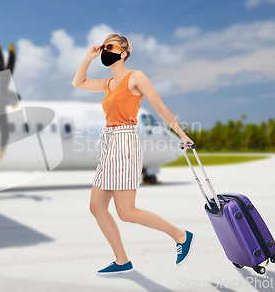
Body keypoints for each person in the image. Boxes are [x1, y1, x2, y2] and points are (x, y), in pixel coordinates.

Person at [72, 34, 195, 275]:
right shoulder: (108, 83)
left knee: (127, 212)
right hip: (109, 143)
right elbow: (78, 83)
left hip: (125, 142)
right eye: (104, 46)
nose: (105, 50)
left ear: (124, 53)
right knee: (96, 207)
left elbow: (159, 106)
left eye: (110, 47)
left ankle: (180, 236)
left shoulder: (135, 77)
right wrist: (88, 57)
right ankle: (122, 261)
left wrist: (181, 134)